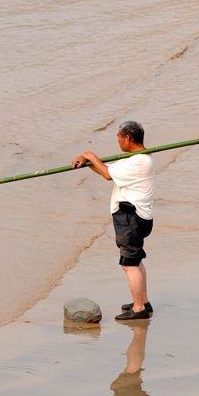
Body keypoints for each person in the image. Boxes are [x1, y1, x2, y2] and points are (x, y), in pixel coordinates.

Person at [71, 120, 154, 321]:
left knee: (129, 264)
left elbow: (108, 175)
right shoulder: (134, 159)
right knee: (136, 260)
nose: (117, 141)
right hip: (136, 217)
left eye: (118, 137)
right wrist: (87, 162)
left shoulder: (138, 162)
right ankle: (143, 301)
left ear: (127, 138)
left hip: (131, 217)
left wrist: (90, 154)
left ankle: (139, 308)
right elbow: (107, 170)